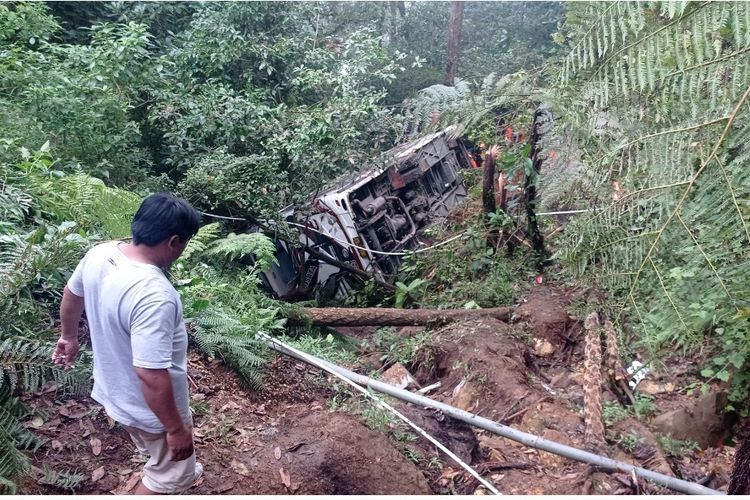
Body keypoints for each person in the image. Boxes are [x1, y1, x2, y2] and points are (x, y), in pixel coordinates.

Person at [53, 193, 202, 494]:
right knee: (169, 477)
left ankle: (163, 461)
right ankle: (166, 473)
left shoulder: (100, 253)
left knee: (160, 455)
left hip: (113, 391)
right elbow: (150, 373)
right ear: (174, 242)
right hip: (148, 409)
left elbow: (72, 294)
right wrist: (175, 429)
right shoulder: (154, 294)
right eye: (185, 243)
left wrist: (68, 336)